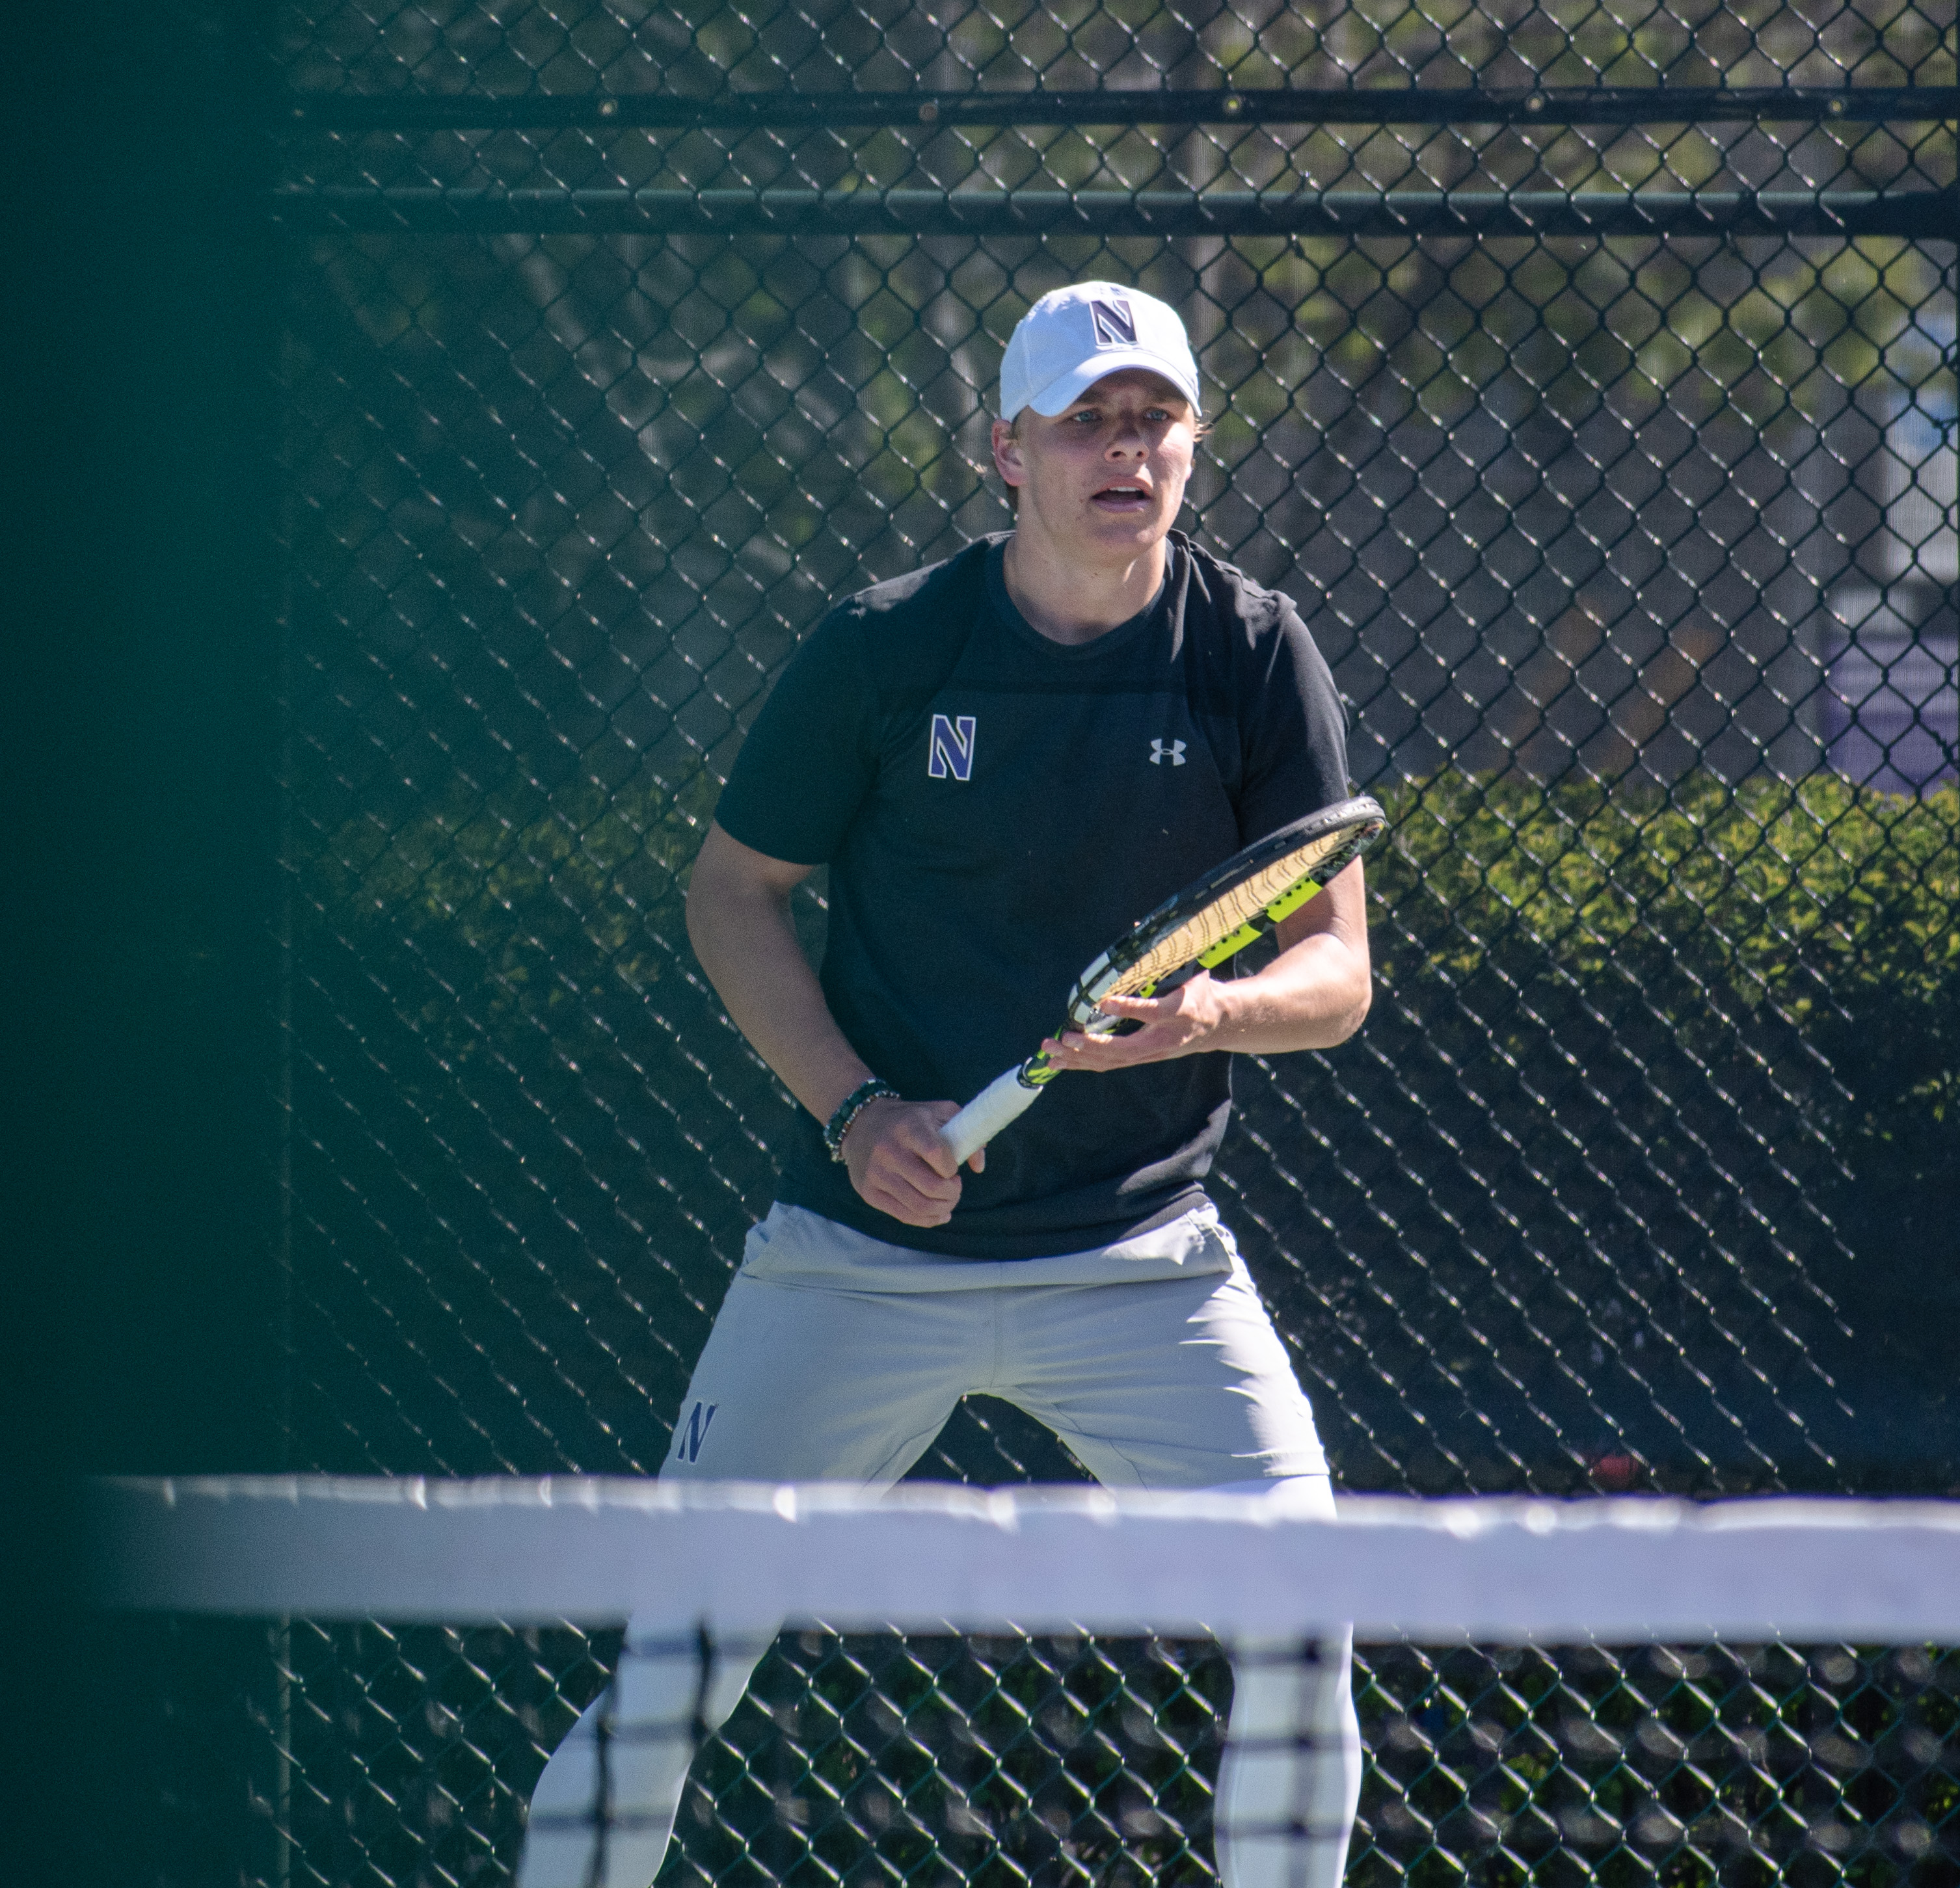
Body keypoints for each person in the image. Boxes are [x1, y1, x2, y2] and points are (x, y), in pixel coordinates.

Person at [518, 281, 1370, 1888]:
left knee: (1305, 1622)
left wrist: (1211, 1016)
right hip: (851, 1262)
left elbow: (1336, 973)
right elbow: (730, 891)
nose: (1126, 452)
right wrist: (854, 1113)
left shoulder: (1255, 653)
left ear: (1191, 445)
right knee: (671, 1669)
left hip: (1142, 1265)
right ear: (1007, 449)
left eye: (1154, 421)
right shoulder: (882, 646)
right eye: (1085, 424)